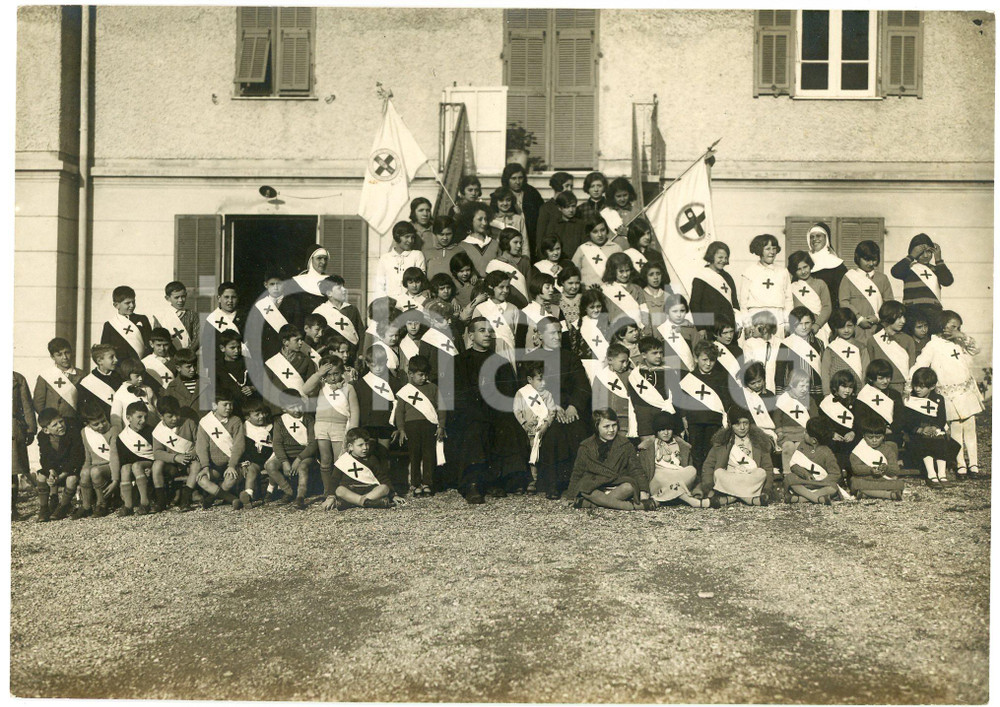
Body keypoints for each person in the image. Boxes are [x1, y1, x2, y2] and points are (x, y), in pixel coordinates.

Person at [451, 317, 519, 504]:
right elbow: (457, 394)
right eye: (482, 330)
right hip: (469, 413)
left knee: (503, 426)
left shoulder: (500, 362)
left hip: (495, 412)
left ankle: (493, 480)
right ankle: (472, 483)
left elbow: (508, 392)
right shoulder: (459, 362)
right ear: (471, 335)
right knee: (474, 428)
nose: (487, 334)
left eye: (490, 331)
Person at [912, 310, 984, 478]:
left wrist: (962, 336)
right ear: (942, 326)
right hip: (949, 394)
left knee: (970, 427)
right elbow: (920, 364)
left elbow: (976, 349)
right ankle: (961, 466)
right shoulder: (933, 345)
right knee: (956, 429)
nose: (955, 330)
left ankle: (974, 465)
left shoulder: (960, 342)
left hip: (966, 392)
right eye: (952, 327)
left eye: (958, 327)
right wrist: (911, 382)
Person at [567, 408, 656, 511]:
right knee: (584, 487)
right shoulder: (586, 446)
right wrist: (570, 496)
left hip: (617, 484)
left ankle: (590, 504)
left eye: (614, 425)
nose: (611, 430)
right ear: (596, 427)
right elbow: (577, 472)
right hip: (595, 486)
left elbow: (636, 469)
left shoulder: (625, 444)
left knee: (629, 487)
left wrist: (644, 491)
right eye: (606, 426)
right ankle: (630, 506)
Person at [699, 405, 774, 507]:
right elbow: (708, 466)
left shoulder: (758, 442)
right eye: (737, 424)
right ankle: (749, 499)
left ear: (750, 423)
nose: (742, 428)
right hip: (731, 478)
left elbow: (767, 467)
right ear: (730, 425)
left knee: (761, 472)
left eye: (745, 423)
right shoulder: (722, 442)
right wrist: (709, 488)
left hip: (749, 478)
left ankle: (730, 498)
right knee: (719, 473)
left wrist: (766, 490)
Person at [393, 355, 445, 497]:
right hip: (411, 427)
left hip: (429, 426)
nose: (424, 378)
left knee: (429, 455)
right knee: (414, 455)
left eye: (426, 374)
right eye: (420, 375)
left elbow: (441, 408)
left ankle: (427, 483)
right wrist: (401, 429)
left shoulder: (433, 388)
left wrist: (441, 426)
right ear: (410, 374)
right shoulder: (406, 391)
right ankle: (415, 484)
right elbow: (399, 412)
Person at [681, 340, 734, 475]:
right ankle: (698, 479)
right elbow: (682, 400)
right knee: (696, 452)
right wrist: (684, 417)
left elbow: (727, 400)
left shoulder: (722, 378)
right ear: (696, 358)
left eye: (712, 360)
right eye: (704, 359)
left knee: (712, 452)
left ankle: (709, 480)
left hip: (714, 421)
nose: (708, 364)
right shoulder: (690, 378)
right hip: (695, 421)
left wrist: (726, 418)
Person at [901, 367, 959, 488]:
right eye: (915, 385)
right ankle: (931, 474)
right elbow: (907, 421)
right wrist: (920, 430)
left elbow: (941, 418)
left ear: (932, 387)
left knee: (941, 441)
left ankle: (942, 475)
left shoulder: (938, 399)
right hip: (916, 433)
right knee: (925, 442)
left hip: (934, 430)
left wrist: (935, 428)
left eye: (921, 387)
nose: (917, 389)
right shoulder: (910, 399)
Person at [315, 355, 360, 500]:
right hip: (321, 426)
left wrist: (352, 430)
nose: (332, 378)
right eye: (328, 374)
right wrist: (319, 373)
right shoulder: (321, 386)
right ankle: (327, 490)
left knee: (339, 459)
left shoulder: (348, 388)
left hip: (340, 426)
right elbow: (305, 389)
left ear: (341, 373)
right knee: (325, 459)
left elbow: (354, 410)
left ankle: (338, 490)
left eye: (335, 373)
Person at [639, 411, 706, 508]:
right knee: (661, 478)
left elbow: (687, 468)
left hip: (677, 474)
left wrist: (697, 489)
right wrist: (643, 491)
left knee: (692, 470)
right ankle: (691, 501)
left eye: (669, 429)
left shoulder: (682, 446)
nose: (666, 433)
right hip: (659, 477)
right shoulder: (648, 447)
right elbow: (642, 472)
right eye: (662, 430)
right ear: (656, 431)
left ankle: (663, 497)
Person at [890, 233, 954, 334]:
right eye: (921, 252)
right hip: (912, 311)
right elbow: (895, 272)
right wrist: (911, 256)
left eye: (928, 252)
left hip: (933, 312)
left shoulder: (936, 269)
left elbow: (947, 281)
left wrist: (938, 259)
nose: (925, 255)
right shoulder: (909, 268)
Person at [324, 427, 400, 510]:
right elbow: (334, 480)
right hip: (351, 490)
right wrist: (330, 497)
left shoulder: (372, 459)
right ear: (350, 447)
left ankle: (353, 503)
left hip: (369, 490)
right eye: (360, 445)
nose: (365, 447)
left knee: (384, 488)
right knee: (339, 490)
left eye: (367, 444)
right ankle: (369, 503)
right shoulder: (343, 460)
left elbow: (382, 477)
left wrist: (393, 495)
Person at [194, 390, 246, 509]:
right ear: (214, 405)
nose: (229, 408)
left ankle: (211, 499)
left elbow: (239, 445)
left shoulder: (236, 421)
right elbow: (202, 446)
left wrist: (232, 465)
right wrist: (205, 466)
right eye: (225, 405)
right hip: (214, 466)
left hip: (230, 463)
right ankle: (232, 499)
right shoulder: (205, 422)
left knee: (230, 480)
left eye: (231, 404)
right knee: (202, 480)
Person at [150, 394, 201, 513]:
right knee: (157, 465)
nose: (175, 418)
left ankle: (186, 499)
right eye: (170, 416)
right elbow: (157, 453)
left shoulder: (189, 423)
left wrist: (193, 453)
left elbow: (199, 442)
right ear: (161, 416)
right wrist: (175, 457)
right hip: (172, 465)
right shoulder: (158, 432)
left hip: (189, 461)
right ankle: (161, 500)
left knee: (196, 465)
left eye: (177, 414)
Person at [839, 240, 894, 346]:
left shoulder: (882, 279)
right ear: (858, 258)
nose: (871, 263)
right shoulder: (849, 277)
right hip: (855, 326)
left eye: (874, 260)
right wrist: (859, 319)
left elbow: (889, 303)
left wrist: (878, 317)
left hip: (877, 327)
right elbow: (844, 302)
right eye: (867, 259)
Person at [34, 408, 83, 521]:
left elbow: (76, 457)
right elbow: (44, 457)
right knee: (41, 476)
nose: (60, 426)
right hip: (56, 468)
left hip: (70, 467)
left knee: (71, 479)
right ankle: (44, 508)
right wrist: (51, 471)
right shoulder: (42, 437)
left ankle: (63, 506)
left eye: (61, 421)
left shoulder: (72, 433)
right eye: (55, 425)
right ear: (46, 430)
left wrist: (61, 476)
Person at [739, 234, 792, 337]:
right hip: (755, 316)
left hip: (778, 317)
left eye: (774, 248)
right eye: (767, 249)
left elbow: (788, 299)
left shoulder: (783, 272)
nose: (772, 252)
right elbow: (743, 301)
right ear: (759, 250)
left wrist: (787, 323)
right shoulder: (749, 271)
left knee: (776, 349)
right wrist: (747, 324)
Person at [273, 398, 318, 510]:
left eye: (299, 406)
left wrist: (298, 459)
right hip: (287, 454)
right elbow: (277, 443)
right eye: (292, 407)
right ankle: (289, 492)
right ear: (284, 408)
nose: (297, 410)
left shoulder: (308, 419)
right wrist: (284, 461)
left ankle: (300, 497)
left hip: (304, 453)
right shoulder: (280, 421)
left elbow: (313, 444)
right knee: (270, 465)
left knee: (303, 467)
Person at [784, 417, 841, 505]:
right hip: (804, 482)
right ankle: (817, 499)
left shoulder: (827, 453)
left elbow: (835, 474)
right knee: (790, 477)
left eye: (806, 432)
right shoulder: (802, 445)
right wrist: (805, 474)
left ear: (814, 440)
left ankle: (799, 499)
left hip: (820, 485)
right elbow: (794, 465)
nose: (804, 433)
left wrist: (821, 481)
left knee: (833, 487)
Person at [264, 324, 326, 405]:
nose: (301, 343)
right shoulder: (272, 362)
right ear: (285, 342)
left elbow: (312, 388)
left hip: (300, 406)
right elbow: (266, 390)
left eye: (301, 339)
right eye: (297, 340)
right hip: (277, 408)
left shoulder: (307, 361)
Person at [113, 401, 156, 516]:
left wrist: (153, 468)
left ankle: (145, 502)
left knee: (136, 466)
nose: (143, 420)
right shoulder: (122, 437)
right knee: (125, 468)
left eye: (145, 417)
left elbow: (157, 453)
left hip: (149, 462)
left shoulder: (151, 432)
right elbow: (124, 460)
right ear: (128, 418)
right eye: (139, 417)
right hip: (133, 467)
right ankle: (128, 505)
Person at [77, 404, 119, 518]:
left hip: (110, 466)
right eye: (96, 424)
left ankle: (102, 504)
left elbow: (114, 456)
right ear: (88, 425)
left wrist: (115, 480)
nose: (101, 425)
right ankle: (86, 507)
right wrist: (82, 476)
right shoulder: (85, 432)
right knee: (85, 472)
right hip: (95, 466)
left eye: (103, 421)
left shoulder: (113, 430)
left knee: (95, 471)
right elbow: (88, 456)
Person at [472, 270, 521, 368]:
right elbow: (474, 334)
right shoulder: (480, 308)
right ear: (491, 287)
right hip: (488, 350)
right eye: (501, 287)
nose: (505, 290)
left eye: (507, 287)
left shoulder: (513, 309)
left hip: (508, 352)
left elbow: (517, 334)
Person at [690, 241, 740, 334]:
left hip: (728, 328)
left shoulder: (728, 277)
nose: (723, 260)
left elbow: (734, 303)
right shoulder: (701, 277)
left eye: (726, 258)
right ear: (711, 256)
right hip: (709, 327)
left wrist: (738, 323)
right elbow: (694, 304)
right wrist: (701, 328)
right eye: (720, 257)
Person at [773, 369, 818, 475]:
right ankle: (787, 473)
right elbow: (777, 417)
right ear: (792, 385)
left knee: (800, 448)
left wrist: (810, 432)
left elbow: (814, 417)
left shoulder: (809, 400)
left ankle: (801, 473)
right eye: (801, 386)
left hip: (803, 433)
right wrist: (779, 432)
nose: (804, 389)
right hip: (786, 434)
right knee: (788, 447)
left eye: (807, 386)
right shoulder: (783, 399)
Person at [246, 266, 296, 361]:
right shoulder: (259, 306)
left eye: (279, 284)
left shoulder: (292, 304)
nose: (276, 287)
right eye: (272, 284)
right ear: (266, 285)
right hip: (265, 353)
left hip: (287, 352)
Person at [492, 163, 544, 253]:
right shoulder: (502, 194)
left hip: (531, 236)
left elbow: (541, 213)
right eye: (513, 178)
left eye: (520, 178)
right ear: (507, 179)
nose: (517, 182)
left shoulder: (531, 192)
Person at [866, 301, 916, 394]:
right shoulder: (873, 341)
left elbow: (912, 366)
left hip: (903, 386)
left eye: (904, 317)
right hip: (880, 386)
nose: (903, 321)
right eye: (898, 317)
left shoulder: (908, 340)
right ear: (888, 317)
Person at [775, 306, 824, 400]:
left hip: (816, 392)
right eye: (799, 324)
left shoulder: (819, 343)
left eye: (807, 323)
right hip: (794, 392)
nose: (804, 327)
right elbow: (780, 371)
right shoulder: (787, 343)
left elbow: (824, 368)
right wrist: (779, 393)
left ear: (813, 322)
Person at [237, 396, 277, 508]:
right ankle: (248, 494)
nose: (262, 417)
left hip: (270, 458)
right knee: (252, 470)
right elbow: (242, 447)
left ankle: (270, 491)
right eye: (257, 415)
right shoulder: (245, 428)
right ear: (248, 417)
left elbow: (276, 445)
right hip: (255, 460)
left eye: (263, 413)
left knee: (273, 467)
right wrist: (245, 462)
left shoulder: (270, 427)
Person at [849, 421, 904, 501]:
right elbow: (856, 468)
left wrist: (886, 468)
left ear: (883, 436)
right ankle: (889, 495)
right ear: (864, 436)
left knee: (900, 484)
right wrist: (870, 470)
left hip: (883, 479)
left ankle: (865, 493)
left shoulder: (888, 450)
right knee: (855, 482)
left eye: (878, 437)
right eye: (870, 437)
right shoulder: (858, 450)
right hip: (866, 479)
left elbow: (895, 470)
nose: (874, 440)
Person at [588, 343, 634, 438]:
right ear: (610, 360)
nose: (625, 365)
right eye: (622, 361)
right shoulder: (601, 377)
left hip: (627, 421)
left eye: (627, 361)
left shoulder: (631, 375)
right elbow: (595, 400)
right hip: (607, 421)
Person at [33, 337, 83, 423]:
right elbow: (38, 403)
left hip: (74, 422)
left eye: (67, 353)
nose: (64, 357)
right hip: (53, 423)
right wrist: (49, 421)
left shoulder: (81, 375)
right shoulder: (46, 376)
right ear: (52, 357)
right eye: (59, 355)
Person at [854, 359, 902, 447]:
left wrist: (891, 429)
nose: (885, 381)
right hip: (870, 436)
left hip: (890, 435)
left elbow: (900, 417)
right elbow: (860, 420)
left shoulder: (895, 395)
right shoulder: (863, 396)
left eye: (888, 377)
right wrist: (877, 431)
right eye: (881, 378)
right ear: (871, 378)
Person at [374, 222, 427, 303]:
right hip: (390, 303)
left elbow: (421, 280)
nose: (410, 241)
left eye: (412, 237)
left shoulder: (417, 255)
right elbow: (379, 285)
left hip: (411, 303)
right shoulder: (385, 258)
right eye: (406, 237)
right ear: (397, 237)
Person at [820, 307, 868, 395]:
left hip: (857, 392)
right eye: (841, 326)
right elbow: (825, 372)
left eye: (849, 326)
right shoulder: (831, 348)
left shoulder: (861, 347)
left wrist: (864, 392)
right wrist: (827, 393)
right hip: (836, 393)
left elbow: (866, 371)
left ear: (855, 326)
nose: (846, 330)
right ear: (835, 328)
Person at [818, 369, 858, 474]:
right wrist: (832, 434)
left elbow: (859, 421)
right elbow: (822, 424)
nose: (847, 390)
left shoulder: (856, 402)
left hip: (851, 437)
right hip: (834, 439)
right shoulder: (826, 403)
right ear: (836, 386)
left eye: (850, 387)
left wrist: (853, 432)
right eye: (844, 387)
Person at [101, 285, 152, 362]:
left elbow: (149, 343)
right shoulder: (109, 325)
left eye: (133, 302)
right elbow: (105, 350)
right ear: (116, 305)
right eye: (127, 303)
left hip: (141, 363)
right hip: (120, 366)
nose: (132, 305)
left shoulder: (142, 319)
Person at [787, 250, 832, 337]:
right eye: (798, 269)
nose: (803, 271)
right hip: (798, 327)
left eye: (805, 267)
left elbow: (827, 307)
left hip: (819, 327)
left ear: (810, 265)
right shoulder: (792, 287)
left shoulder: (820, 284)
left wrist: (817, 325)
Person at [486, 228, 531, 308]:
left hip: (523, 305)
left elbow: (529, 286)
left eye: (520, 243)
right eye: (515, 242)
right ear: (505, 243)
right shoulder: (494, 264)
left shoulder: (524, 261)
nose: (519, 246)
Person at [805, 222, 847, 307]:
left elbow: (843, 292)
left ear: (826, 238)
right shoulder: (803, 261)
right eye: (811, 237)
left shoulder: (837, 264)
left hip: (831, 309)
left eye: (818, 236)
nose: (814, 239)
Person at [520, 272, 565, 351]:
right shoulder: (525, 312)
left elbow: (565, 335)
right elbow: (520, 341)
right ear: (537, 287)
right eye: (547, 287)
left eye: (552, 287)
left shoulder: (557, 310)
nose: (551, 290)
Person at [12, 372, 37, 520]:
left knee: (11, 471)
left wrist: (30, 429)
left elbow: (27, 405)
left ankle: (10, 508)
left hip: (12, 428)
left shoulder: (17, 379)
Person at [110, 358, 158, 432]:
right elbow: (116, 418)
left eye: (142, 375)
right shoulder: (120, 394)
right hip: (132, 432)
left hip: (151, 429)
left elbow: (157, 407)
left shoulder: (148, 389)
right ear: (127, 375)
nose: (141, 378)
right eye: (137, 376)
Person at [572, 215, 621, 288]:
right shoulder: (582, 249)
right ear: (589, 233)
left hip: (610, 291)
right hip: (588, 291)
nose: (600, 235)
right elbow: (573, 272)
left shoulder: (616, 248)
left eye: (602, 230)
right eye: (595, 232)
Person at [78, 343, 122, 423]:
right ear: (99, 361)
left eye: (115, 356)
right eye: (111, 357)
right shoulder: (87, 383)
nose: (116, 360)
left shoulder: (121, 378)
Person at [534, 172, 575, 256]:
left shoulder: (572, 208)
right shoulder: (546, 208)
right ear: (558, 186)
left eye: (571, 186)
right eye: (567, 186)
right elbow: (540, 236)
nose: (570, 189)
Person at [163, 348, 209, 423]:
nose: (193, 369)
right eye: (188, 367)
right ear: (178, 368)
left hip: (204, 426)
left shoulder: (206, 384)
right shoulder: (172, 388)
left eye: (194, 365)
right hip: (183, 427)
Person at [601, 252, 644, 331]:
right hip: (615, 330)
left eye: (627, 270)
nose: (625, 275)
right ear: (613, 271)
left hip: (635, 330)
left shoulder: (637, 289)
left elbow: (644, 311)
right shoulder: (605, 290)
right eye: (621, 271)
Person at [215, 330, 256, 413]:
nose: (237, 351)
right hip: (230, 409)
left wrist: (253, 388)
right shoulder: (216, 367)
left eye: (239, 347)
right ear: (222, 348)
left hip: (250, 408)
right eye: (232, 348)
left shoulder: (250, 362)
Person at [657, 294, 697, 373]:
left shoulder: (691, 329)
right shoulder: (662, 329)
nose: (679, 315)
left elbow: (697, 350)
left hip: (687, 369)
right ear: (667, 311)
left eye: (682, 311)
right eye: (674, 311)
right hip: (668, 370)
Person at [287, 245, 332, 317]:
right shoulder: (296, 281)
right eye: (319, 258)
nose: (323, 262)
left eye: (325, 259)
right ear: (311, 260)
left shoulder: (331, 282)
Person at [457, 202, 499, 276]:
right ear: (470, 221)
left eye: (486, 219)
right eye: (480, 219)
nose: (484, 223)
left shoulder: (495, 244)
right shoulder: (462, 246)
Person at [742, 310, 780, 393]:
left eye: (754, 325)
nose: (751, 328)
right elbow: (749, 368)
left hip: (775, 387)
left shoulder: (780, 344)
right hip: (756, 389)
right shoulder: (749, 344)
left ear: (765, 328)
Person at [542, 191, 587, 261]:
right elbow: (548, 244)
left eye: (573, 206)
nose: (571, 210)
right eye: (567, 207)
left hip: (576, 261)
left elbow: (584, 246)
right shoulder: (554, 224)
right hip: (557, 261)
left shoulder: (581, 224)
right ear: (559, 208)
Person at [204, 282, 243, 355]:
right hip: (219, 363)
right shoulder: (212, 319)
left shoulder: (244, 317)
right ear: (219, 298)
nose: (230, 301)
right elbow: (207, 347)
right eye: (226, 297)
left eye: (233, 297)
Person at [161, 281, 200, 352]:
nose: (180, 300)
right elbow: (158, 338)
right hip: (168, 355)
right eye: (176, 297)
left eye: (183, 296)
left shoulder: (192, 315)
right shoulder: (161, 316)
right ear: (167, 298)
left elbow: (197, 338)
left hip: (188, 356)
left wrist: (188, 353)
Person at [601, 177, 640, 248]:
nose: (622, 199)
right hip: (612, 249)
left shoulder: (635, 211)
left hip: (631, 248)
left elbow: (641, 233)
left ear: (630, 194)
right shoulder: (606, 213)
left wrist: (628, 233)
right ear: (612, 197)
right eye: (618, 196)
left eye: (625, 195)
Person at [575, 289, 610, 362]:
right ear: (585, 307)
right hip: (586, 363)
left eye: (598, 306)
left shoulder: (607, 323)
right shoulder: (577, 325)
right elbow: (574, 348)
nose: (596, 310)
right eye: (592, 307)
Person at [422, 215, 461, 281]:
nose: (445, 238)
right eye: (441, 234)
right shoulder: (427, 253)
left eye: (448, 234)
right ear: (435, 234)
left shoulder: (460, 250)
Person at [638, 260, 670, 333]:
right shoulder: (640, 295)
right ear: (645, 276)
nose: (655, 277)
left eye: (658, 274)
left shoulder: (667, 296)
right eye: (651, 274)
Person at [142, 328, 176, 393]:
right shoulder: (145, 363)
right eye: (158, 345)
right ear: (151, 344)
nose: (162, 348)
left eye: (165, 345)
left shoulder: (175, 361)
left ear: (170, 344)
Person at [557, 265, 584, 330]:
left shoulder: (584, 298)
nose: (574, 286)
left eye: (577, 283)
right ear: (562, 282)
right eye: (570, 283)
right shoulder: (556, 300)